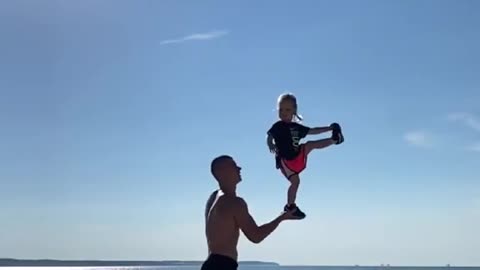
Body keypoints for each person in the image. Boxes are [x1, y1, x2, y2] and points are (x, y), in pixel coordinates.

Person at [201, 155, 300, 270]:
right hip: (222, 265)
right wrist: (282, 217)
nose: (239, 168)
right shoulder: (235, 203)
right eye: (234, 166)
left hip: (212, 264)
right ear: (221, 172)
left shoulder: (213, 197)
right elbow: (256, 236)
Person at [266, 93, 344, 219]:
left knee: (309, 145)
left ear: (294, 110)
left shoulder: (297, 127)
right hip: (286, 162)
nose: (283, 113)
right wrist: (270, 144)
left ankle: (335, 140)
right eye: (281, 110)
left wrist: (330, 128)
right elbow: (269, 136)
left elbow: (313, 131)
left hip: (298, 158)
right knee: (295, 181)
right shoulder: (278, 126)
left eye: (287, 110)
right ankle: (290, 206)